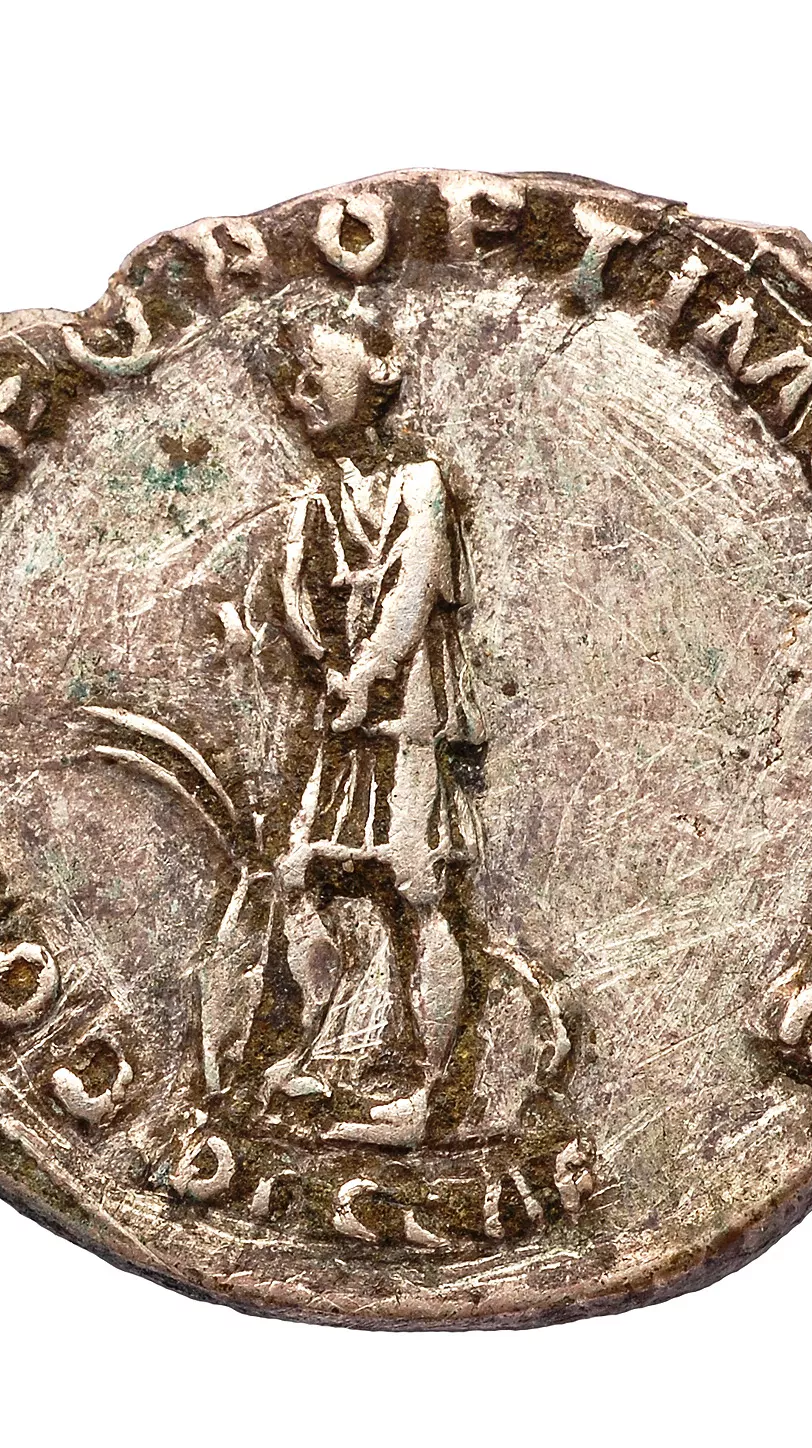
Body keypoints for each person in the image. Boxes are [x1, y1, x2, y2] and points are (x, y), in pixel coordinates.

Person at [257, 309, 487, 1147]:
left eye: (315, 376)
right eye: (295, 381)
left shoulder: (421, 482)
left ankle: (426, 1094)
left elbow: (413, 588)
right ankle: (318, 1049)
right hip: (345, 716)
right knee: (300, 872)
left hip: (408, 715)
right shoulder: (315, 501)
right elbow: (295, 592)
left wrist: (368, 673)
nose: (300, 394)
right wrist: (329, 667)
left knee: (416, 886)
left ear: (374, 377)